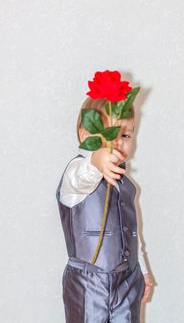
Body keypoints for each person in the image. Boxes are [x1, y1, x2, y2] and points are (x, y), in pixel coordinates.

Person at [56, 97, 153, 322]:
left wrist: (143, 270)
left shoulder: (125, 184)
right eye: (108, 134)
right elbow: (84, 176)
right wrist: (96, 161)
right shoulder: (76, 174)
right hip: (88, 283)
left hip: (128, 281)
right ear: (84, 135)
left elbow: (131, 232)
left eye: (125, 135)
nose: (116, 143)